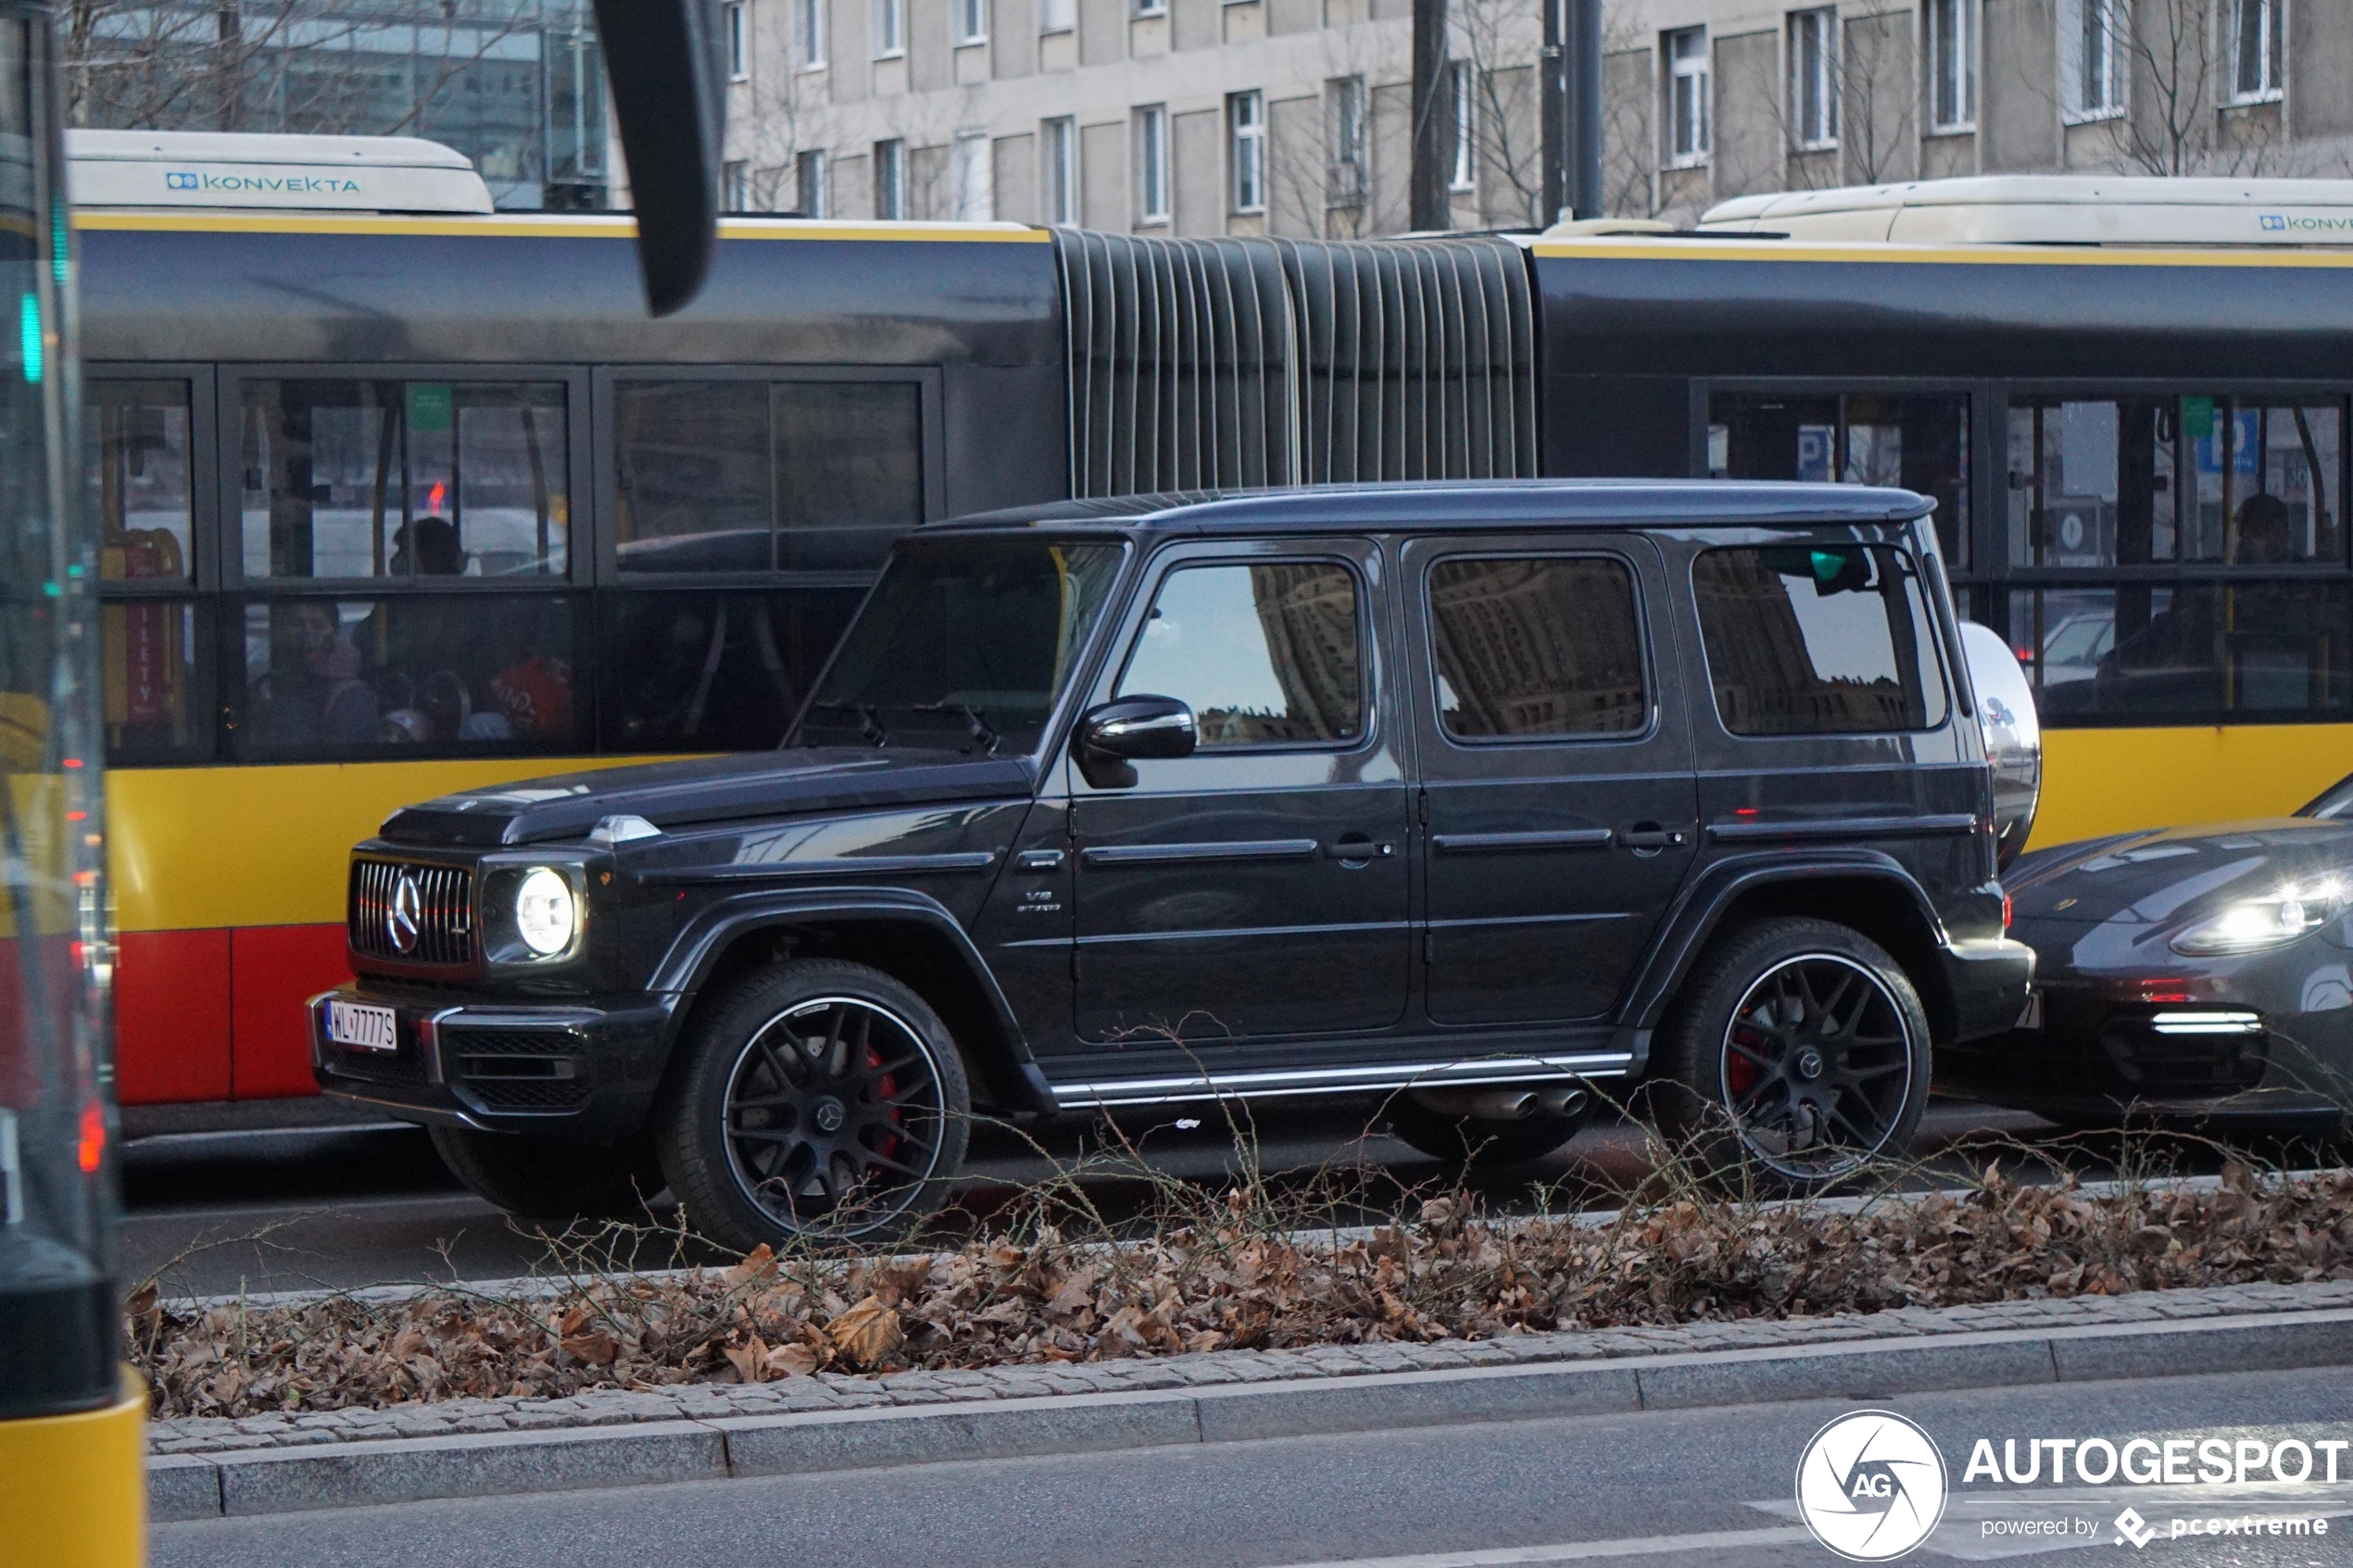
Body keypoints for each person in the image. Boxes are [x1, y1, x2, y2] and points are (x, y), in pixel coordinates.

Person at [249, 601, 378, 746]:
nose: (307, 635)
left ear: (335, 633)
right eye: (296, 624)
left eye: (318, 626)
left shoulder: (351, 697)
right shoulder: (269, 684)